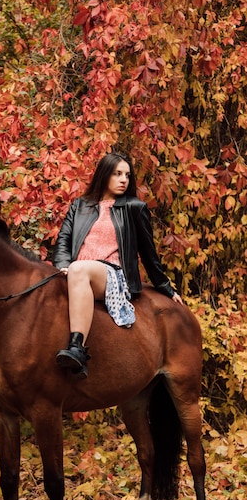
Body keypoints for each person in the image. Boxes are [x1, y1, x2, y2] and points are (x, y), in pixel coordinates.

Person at [53, 151, 183, 379]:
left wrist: (166, 288)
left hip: (112, 275)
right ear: (104, 175)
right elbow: (64, 239)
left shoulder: (134, 208)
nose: (124, 179)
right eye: (117, 174)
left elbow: (149, 253)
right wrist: (63, 264)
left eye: (127, 175)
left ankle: (77, 348)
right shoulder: (80, 205)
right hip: (77, 275)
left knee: (79, 269)